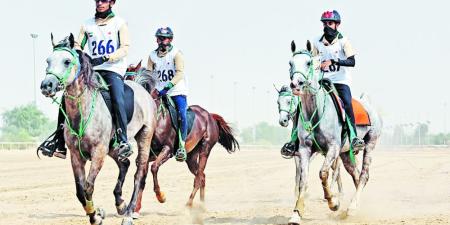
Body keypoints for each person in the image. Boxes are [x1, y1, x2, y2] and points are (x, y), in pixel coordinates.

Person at [38, 0, 132, 160]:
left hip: (113, 69)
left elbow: (125, 48)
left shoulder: (120, 23)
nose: (100, 3)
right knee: (66, 96)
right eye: (98, 0)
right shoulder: (86, 25)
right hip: (92, 69)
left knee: (117, 97)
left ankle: (122, 140)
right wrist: (81, 55)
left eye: (104, 1)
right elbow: (78, 46)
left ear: (111, 3)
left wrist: (106, 57)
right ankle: (59, 142)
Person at [281, 10, 365, 157]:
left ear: (337, 25)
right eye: (325, 23)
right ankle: (294, 141)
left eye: (330, 23)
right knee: (302, 104)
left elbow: (352, 61)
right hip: (321, 81)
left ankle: (353, 138)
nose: (327, 26)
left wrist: (333, 61)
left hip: (340, 82)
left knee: (347, 103)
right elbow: (311, 60)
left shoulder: (344, 41)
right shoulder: (316, 41)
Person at [147, 27, 189, 162]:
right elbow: (149, 74)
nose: (161, 41)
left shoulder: (177, 54)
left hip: (176, 91)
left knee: (182, 114)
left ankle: (181, 146)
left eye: (164, 38)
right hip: (158, 92)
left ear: (170, 40)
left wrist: (168, 87)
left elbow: (179, 73)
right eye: (159, 38)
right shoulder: (152, 56)